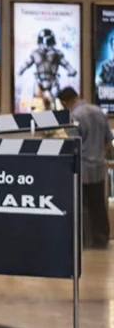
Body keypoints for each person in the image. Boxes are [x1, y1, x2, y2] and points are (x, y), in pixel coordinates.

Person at [58, 87, 113, 249]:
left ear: (65, 102)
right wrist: (99, 153)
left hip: (81, 168)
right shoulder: (99, 111)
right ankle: (101, 239)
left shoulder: (73, 116)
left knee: (80, 205)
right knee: (98, 205)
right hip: (98, 167)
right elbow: (109, 139)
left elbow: (73, 143)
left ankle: (82, 240)